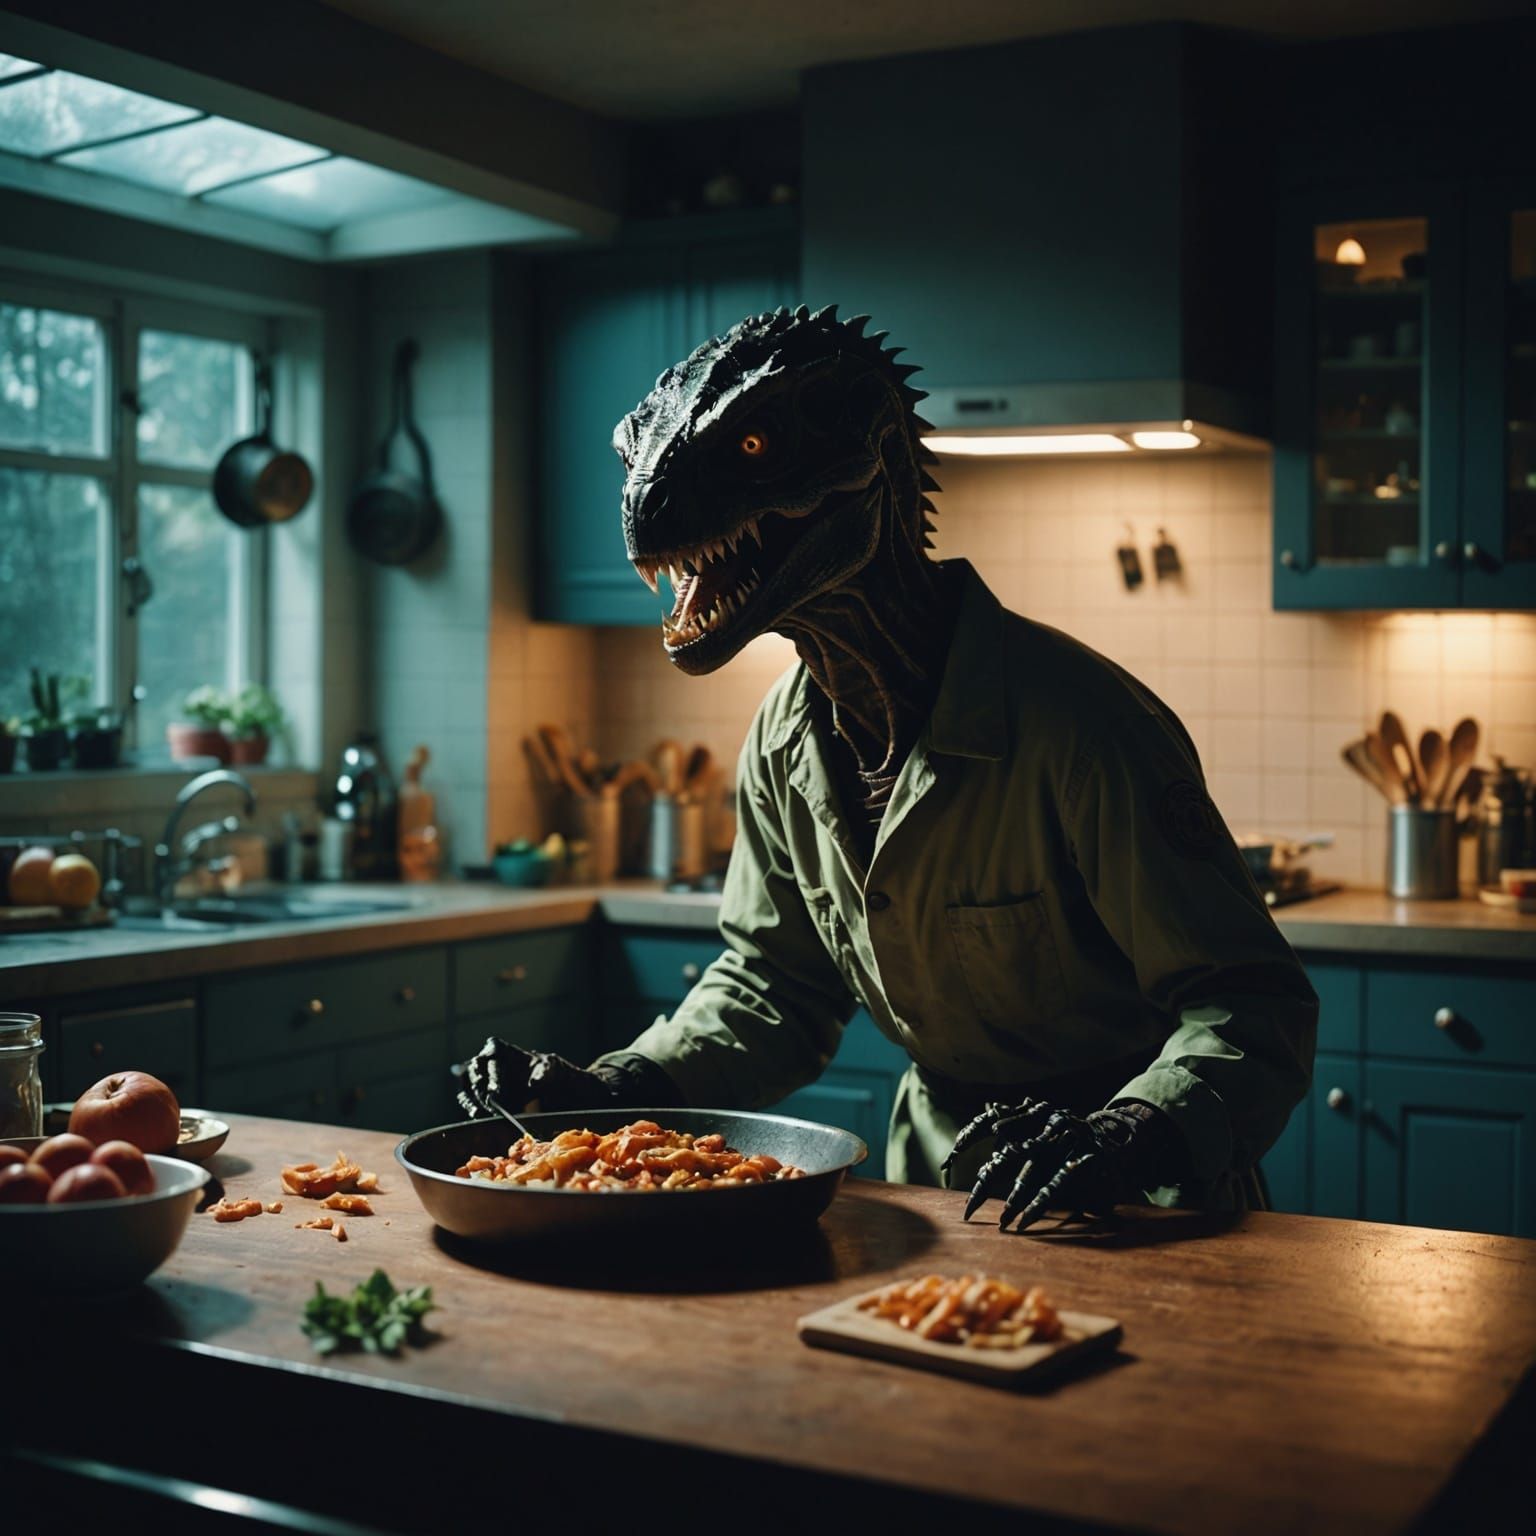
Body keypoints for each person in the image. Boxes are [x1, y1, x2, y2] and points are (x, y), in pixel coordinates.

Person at [459, 305, 1317, 1226]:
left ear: (874, 451)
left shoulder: (1082, 726)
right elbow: (774, 985)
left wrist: (1129, 1134)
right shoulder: (782, 739)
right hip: (944, 1184)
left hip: (1142, 1199)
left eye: (752, 447)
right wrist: (615, 1086)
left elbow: (1248, 1004)